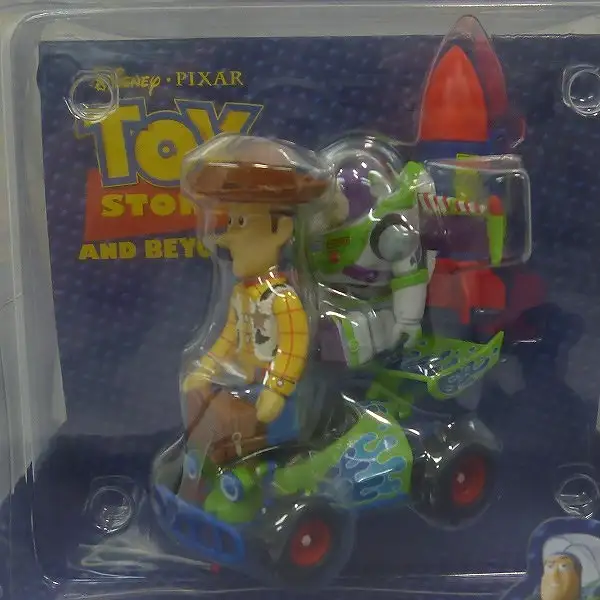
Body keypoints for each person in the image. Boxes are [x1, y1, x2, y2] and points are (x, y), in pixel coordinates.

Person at [178, 135, 330, 489]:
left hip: (273, 396)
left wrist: (277, 389)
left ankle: (270, 471)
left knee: (264, 428)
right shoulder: (241, 295)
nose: (226, 238)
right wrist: (205, 369)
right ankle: (217, 460)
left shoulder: (282, 299)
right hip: (244, 382)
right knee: (214, 410)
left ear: (281, 231)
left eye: (241, 224)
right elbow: (227, 338)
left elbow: (292, 348)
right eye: (230, 223)